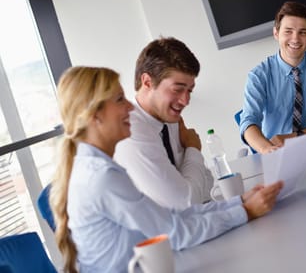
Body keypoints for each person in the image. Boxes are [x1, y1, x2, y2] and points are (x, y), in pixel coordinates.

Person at [49, 66, 283, 273]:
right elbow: (174, 233)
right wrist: (246, 212)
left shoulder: (97, 167)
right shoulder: (101, 177)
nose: (130, 106)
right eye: (120, 99)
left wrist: (240, 203)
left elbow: (170, 217)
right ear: (95, 115)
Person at [114, 37, 214, 211]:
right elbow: (185, 205)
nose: (185, 101)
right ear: (147, 82)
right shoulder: (130, 129)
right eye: (177, 89)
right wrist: (193, 149)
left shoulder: (168, 119)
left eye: (189, 91)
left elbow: (205, 186)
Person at [240, 1, 306, 154]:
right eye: (288, 31)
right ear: (276, 33)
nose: (295, 39)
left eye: (302, 32)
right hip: (279, 153)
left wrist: (295, 137)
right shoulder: (258, 76)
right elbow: (249, 122)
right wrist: (268, 149)